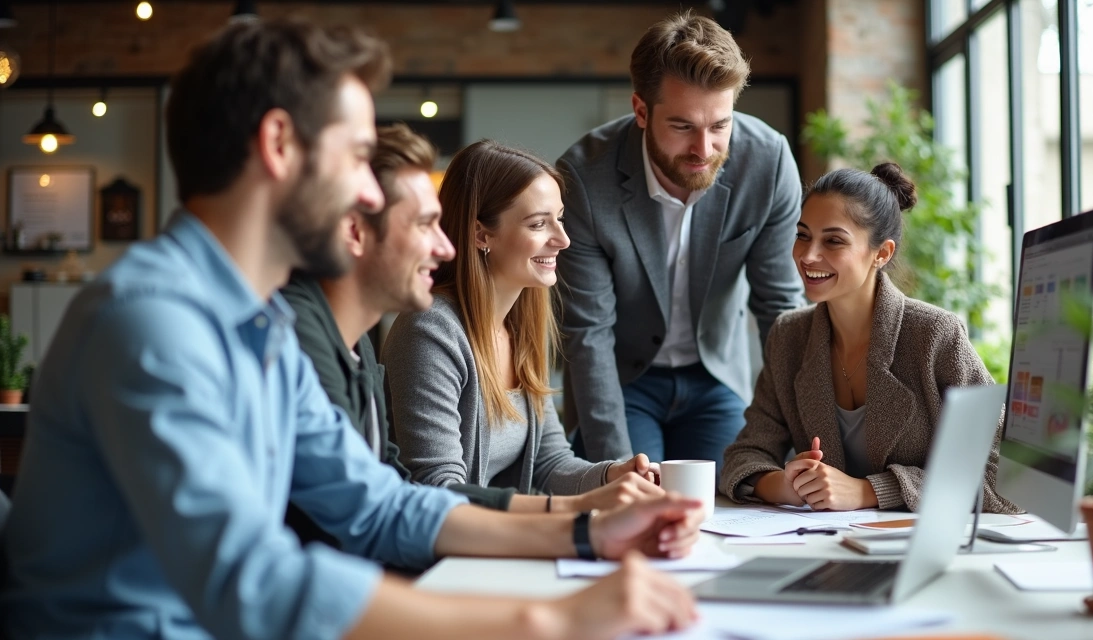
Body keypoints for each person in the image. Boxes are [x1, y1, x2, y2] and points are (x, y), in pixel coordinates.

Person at [0, 19, 702, 640]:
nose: (370, 194)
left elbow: (378, 503)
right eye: (356, 155)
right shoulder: (151, 324)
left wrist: (587, 530)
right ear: (279, 144)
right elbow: (251, 581)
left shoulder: (264, 321)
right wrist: (549, 622)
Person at [287, 126, 659, 514]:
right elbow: (435, 486)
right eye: (538, 224)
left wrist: (613, 475)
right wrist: (562, 516)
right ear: (482, 235)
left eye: (560, 219)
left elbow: (550, 462)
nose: (563, 239)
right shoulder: (430, 331)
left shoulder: (521, 324)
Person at [557, 11, 805, 470]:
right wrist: (615, 474)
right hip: (623, 379)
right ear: (641, 111)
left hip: (717, 375)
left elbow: (781, 311)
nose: (704, 150)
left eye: (719, 126)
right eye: (683, 126)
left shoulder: (767, 162)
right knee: (638, 507)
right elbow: (587, 333)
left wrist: (795, 438)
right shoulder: (584, 178)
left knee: (728, 501)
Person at [719, 163, 1019, 514]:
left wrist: (870, 491)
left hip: (918, 549)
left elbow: (1009, 475)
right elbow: (744, 455)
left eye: (833, 240)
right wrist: (783, 485)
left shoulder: (935, 336)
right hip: (827, 547)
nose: (808, 255)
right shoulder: (789, 336)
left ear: (882, 253)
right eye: (803, 235)